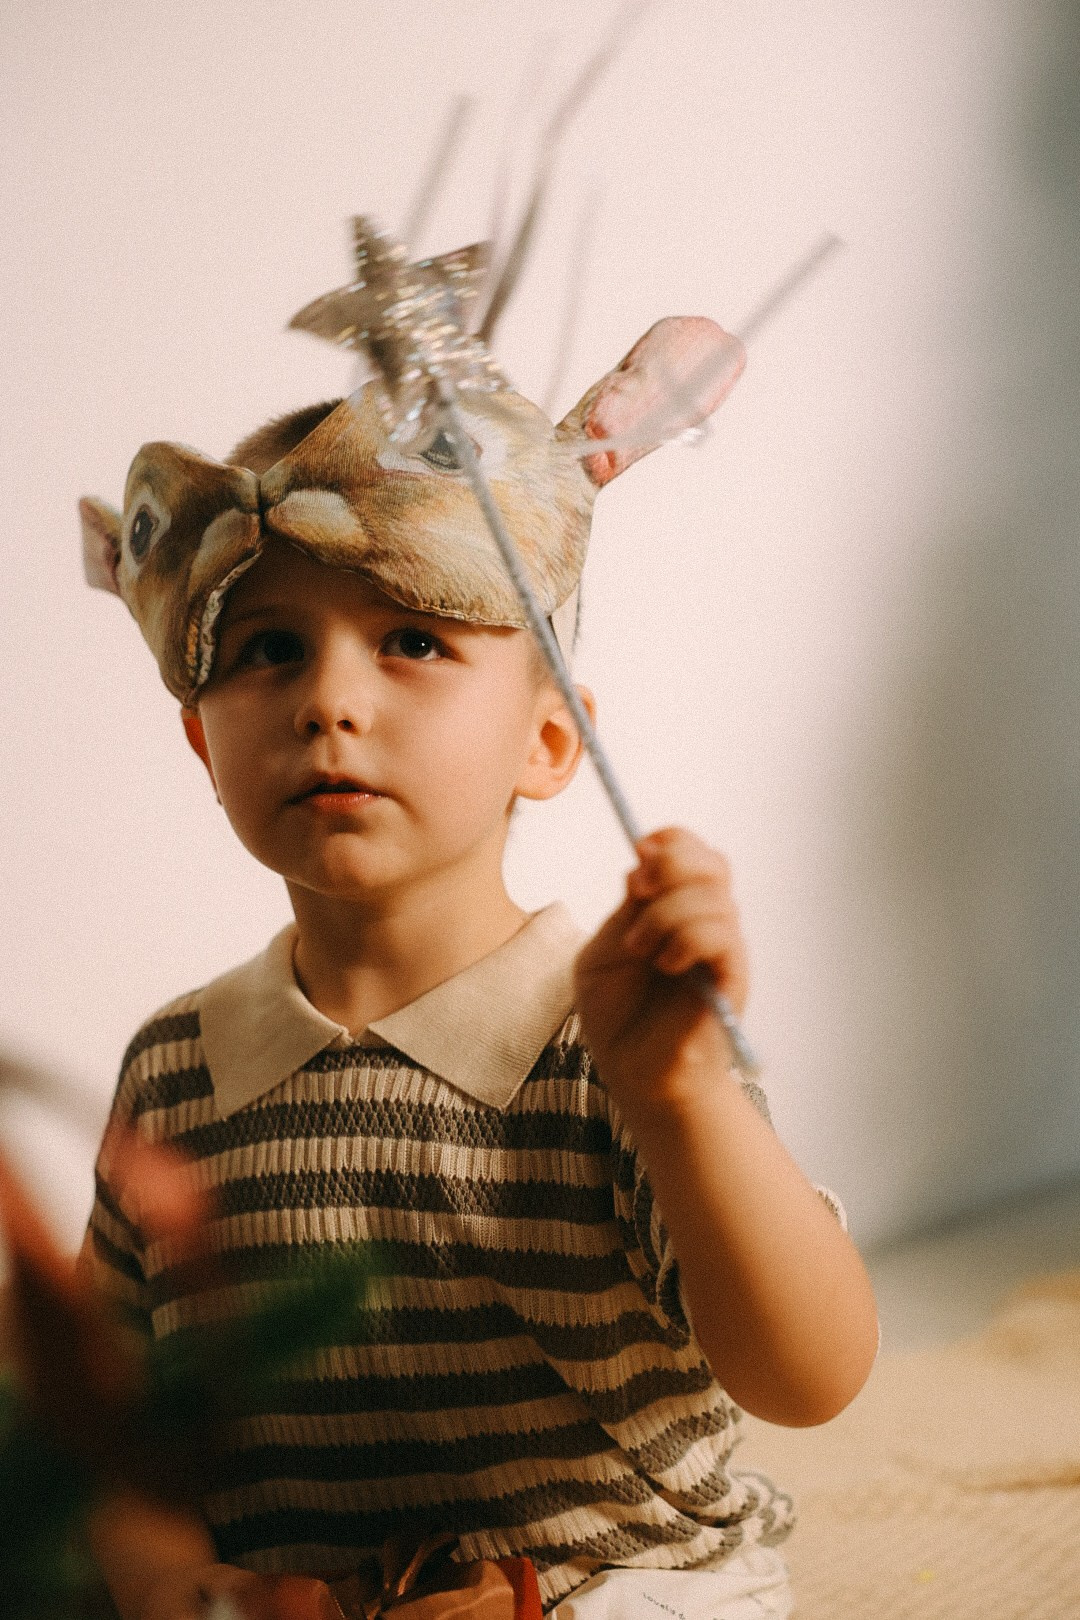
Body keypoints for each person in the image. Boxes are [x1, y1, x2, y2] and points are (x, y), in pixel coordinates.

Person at [77, 288, 879, 1620]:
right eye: (270, 648)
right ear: (204, 741)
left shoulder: (617, 1031)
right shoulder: (174, 1072)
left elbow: (812, 1376)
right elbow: (109, 1425)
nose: (331, 700)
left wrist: (684, 1098)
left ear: (552, 741)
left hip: (616, 1586)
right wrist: (179, 1585)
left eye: (414, 640)